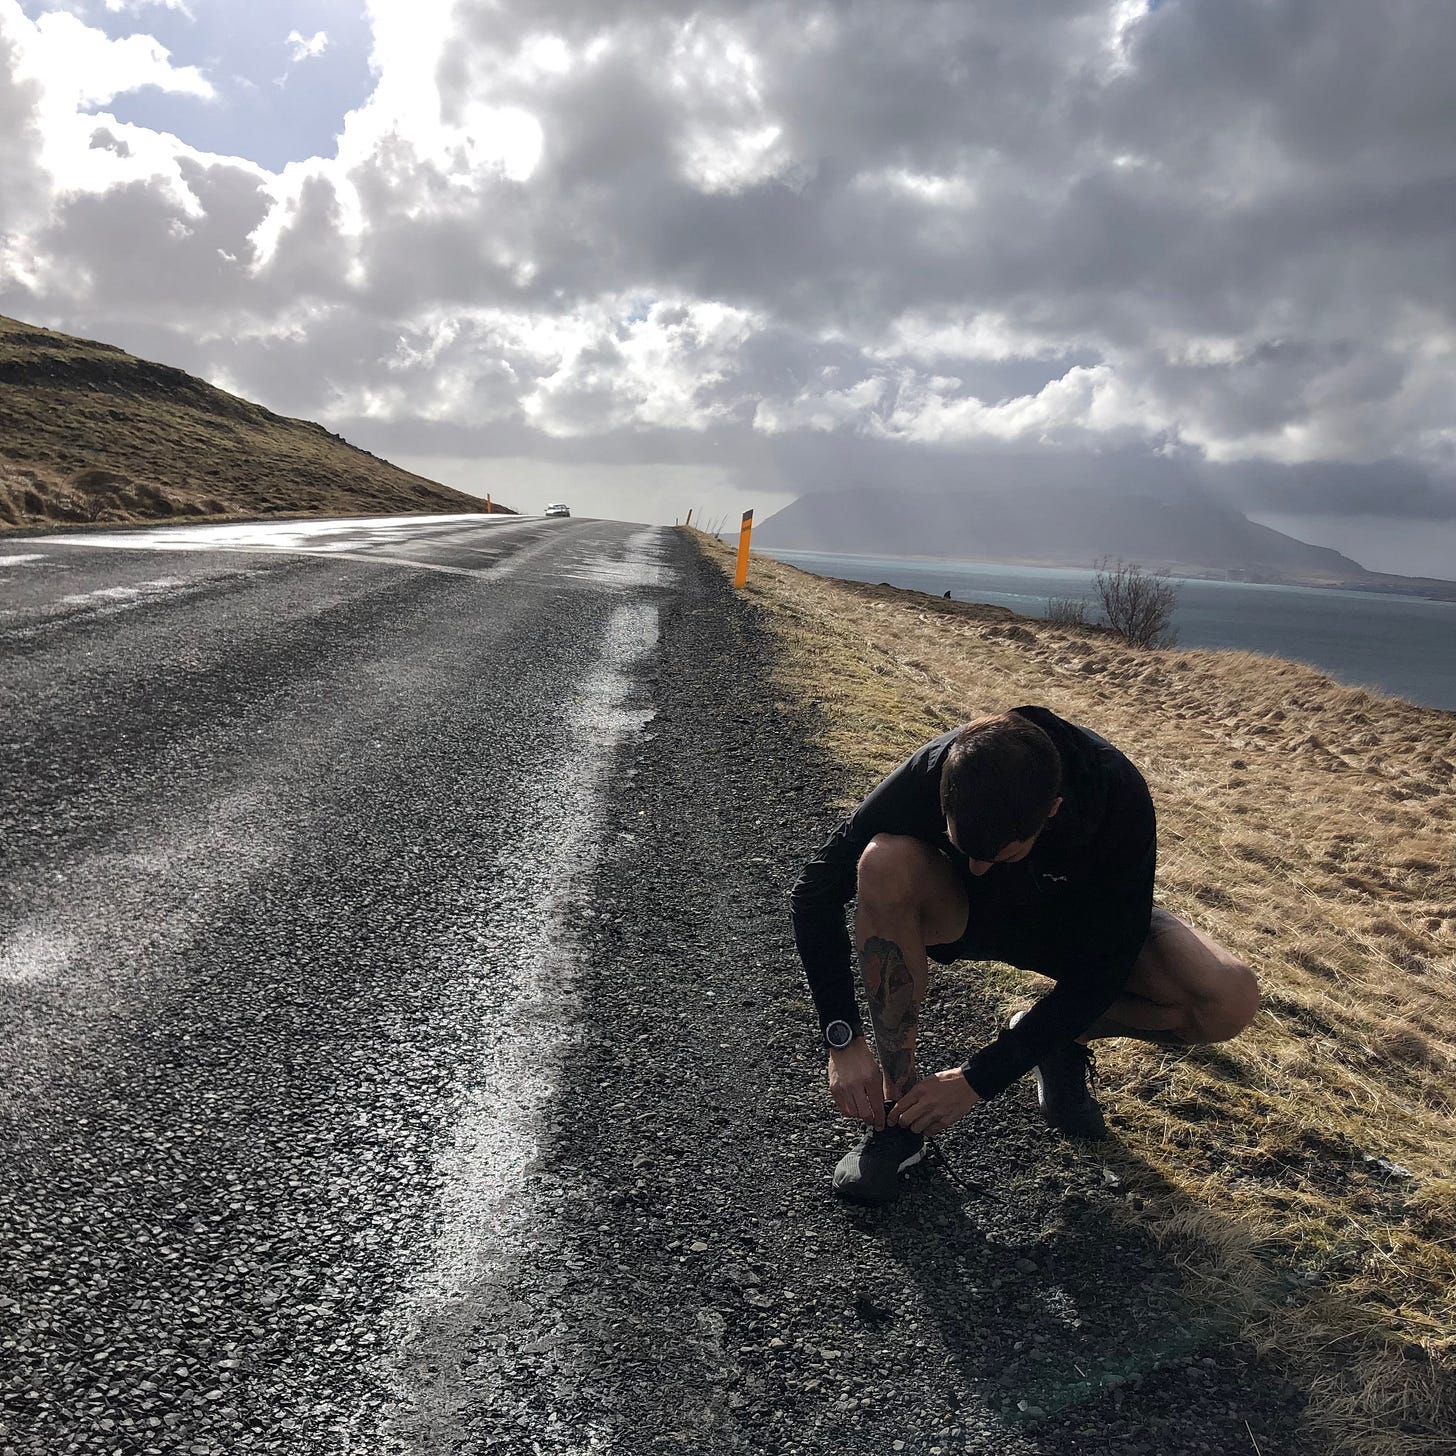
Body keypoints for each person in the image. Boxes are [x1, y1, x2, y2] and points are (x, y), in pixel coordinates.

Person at [790, 707, 1260, 1205]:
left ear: (1052, 811)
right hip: (964, 916)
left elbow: (1106, 969)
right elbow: (815, 890)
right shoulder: (933, 769)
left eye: (1001, 855)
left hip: (1077, 930)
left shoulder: (1115, 794)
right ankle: (900, 1113)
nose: (978, 866)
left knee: (1228, 999)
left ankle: (1053, 1039)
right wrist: (841, 1036)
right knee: (884, 861)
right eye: (963, 847)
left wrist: (981, 1076)